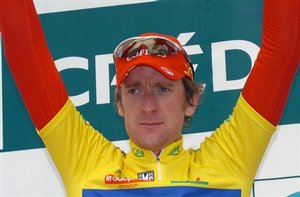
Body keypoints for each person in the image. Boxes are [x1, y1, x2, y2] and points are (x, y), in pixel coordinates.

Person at [0, 0, 299, 196]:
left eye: (163, 88)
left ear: (191, 100)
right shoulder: (86, 164)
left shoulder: (230, 162)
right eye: (134, 90)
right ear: (119, 103)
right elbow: (23, 46)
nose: (147, 105)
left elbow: (284, 46)